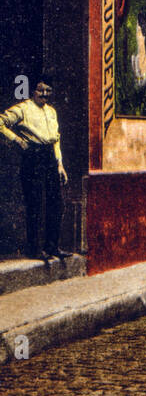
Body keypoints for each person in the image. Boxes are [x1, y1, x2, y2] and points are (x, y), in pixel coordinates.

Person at [0, 74, 68, 264]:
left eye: (48, 91)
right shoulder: (23, 109)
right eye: (41, 90)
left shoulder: (51, 111)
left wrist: (60, 164)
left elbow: (56, 139)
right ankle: (34, 249)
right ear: (33, 91)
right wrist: (16, 140)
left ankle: (52, 246)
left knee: (56, 203)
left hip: (50, 158)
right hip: (33, 157)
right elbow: (1, 122)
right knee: (35, 203)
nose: (44, 94)